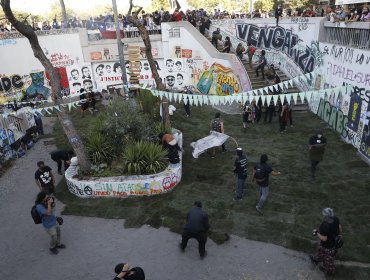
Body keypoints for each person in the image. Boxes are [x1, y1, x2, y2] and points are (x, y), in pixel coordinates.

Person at [310, 208, 342, 275]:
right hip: (334, 242)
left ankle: (330, 271)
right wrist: (340, 235)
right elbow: (339, 227)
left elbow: (324, 239)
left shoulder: (324, 225)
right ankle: (317, 259)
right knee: (320, 249)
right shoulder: (336, 218)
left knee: (329, 259)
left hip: (328, 246)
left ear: (325, 215)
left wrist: (317, 233)